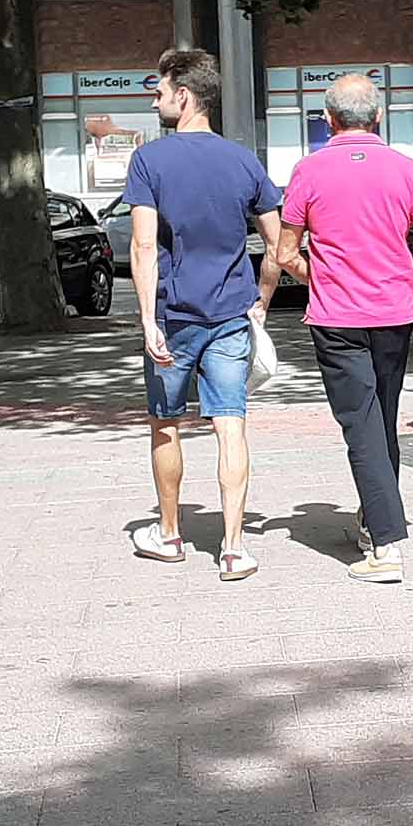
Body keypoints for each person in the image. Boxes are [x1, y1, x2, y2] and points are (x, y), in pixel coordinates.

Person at [275, 74, 413, 585]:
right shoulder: (405, 169)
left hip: (337, 318)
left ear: (328, 120)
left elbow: (285, 253)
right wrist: (404, 274)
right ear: (378, 117)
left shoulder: (307, 171)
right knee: (381, 420)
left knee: (361, 425)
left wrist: (321, 276)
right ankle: (374, 521)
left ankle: (387, 545)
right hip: (394, 313)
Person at [125, 48, 283, 582]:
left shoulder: (151, 160)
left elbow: (144, 246)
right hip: (231, 315)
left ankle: (169, 535)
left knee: (165, 425)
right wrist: (260, 300)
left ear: (184, 95)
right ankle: (235, 547)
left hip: (172, 317)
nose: (155, 97)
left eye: (160, 89)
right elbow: (277, 243)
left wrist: (147, 320)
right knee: (230, 425)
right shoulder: (243, 160)